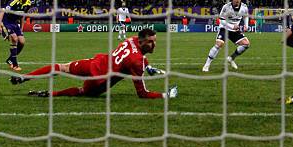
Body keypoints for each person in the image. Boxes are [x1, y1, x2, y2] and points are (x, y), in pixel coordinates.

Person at [10, 28, 177, 99]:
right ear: (142, 42)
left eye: (155, 41)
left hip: (95, 63)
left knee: (61, 67)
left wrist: (148, 66)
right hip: (101, 81)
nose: (154, 45)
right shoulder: (137, 62)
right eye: (151, 42)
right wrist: (165, 95)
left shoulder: (131, 39)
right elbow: (142, 93)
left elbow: (136, 55)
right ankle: (50, 94)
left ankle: (25, 78)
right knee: (83, 91)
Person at [202, 0, 250, 72]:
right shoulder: (226, 7)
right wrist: (231, 26)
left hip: (234, 30)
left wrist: (246, 25)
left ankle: (231, 58)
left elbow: (246, 16)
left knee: (246, 44)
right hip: (225, 28)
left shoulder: (244, 7)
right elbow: (221, 20)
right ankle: (207, 65)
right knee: (219, 44)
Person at [0, 0, 33, 72]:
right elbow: (2, 11)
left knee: (22, 42)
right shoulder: (14, 2)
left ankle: (10, 59)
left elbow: (23, 16)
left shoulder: (29, 3)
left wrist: (21, 29)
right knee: (14, 39)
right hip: (6, 22)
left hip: (15, 24)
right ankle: (15, 65)